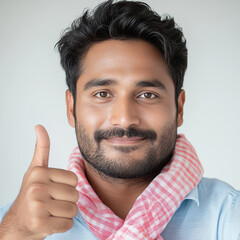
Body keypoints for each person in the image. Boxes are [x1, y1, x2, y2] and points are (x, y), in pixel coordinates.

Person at [0, 0, 239, 239]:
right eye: (102, 94)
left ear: (179, 108)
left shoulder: (228, 214)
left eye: (147, 95)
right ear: (71, 108)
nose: (124, 119)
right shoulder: (15, 225)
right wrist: (14, 232)